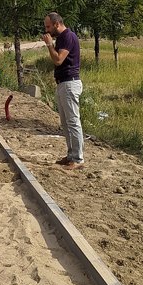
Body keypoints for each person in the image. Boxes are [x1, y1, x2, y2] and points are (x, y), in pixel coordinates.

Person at [42, 12, 85, 170]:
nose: (46, 30)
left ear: (56, 24)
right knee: (66, 123)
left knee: (73, 122)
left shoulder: (68, 36)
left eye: (48, 26)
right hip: (62, 84)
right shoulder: (60, 38)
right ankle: (71, 155)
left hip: (70, 84)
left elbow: (58, 60)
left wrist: (49, 45)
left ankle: (78, 158)